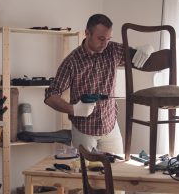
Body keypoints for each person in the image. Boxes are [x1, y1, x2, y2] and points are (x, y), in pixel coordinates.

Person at [44, 13, 126, 154]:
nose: (105, 44)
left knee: (117, 172)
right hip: (84, 131)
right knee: (85, 174)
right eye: (101, 39)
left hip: (110, 127)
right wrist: (74, 109)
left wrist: (147, 50)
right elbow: (50, 96)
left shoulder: (113, 50)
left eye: (108, 39)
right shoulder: (72, 62)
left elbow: (141, 59)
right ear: (87, 33)